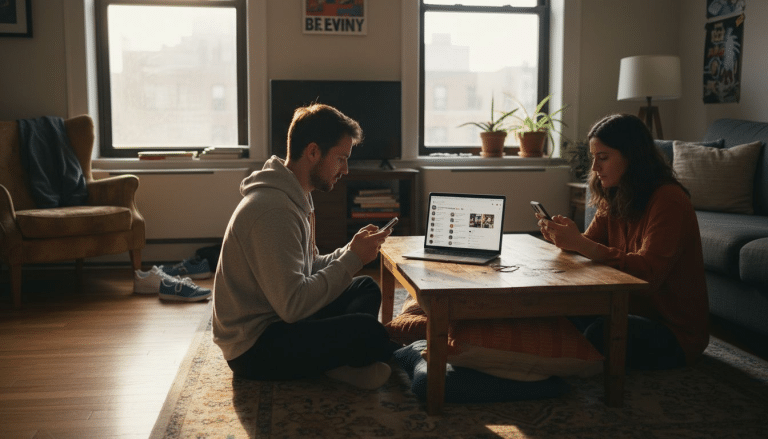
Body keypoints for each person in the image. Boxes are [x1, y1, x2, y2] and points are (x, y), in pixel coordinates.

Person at [212, 103, 394, 389]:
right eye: (341, 158)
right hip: (254, 346)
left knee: (366, 288)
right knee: (369, 331)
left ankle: (338, 364)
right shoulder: (273, 210)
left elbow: (307, 267)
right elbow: (293, 306)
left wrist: (351, 250)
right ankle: (366, 359)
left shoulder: (296, 195)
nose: (345, 170)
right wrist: (352, 260)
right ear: (313, 152)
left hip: (281, 319)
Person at [536, 113, 709, 370]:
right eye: (594, 158)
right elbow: (587, 248)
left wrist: (581, 245)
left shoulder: (668, 200)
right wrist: (566, 238)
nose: (595, 167)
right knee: (558, 303)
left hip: (673, 331)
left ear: (633, 157)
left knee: (598, 332)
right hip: (627, 309)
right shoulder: (615, 195)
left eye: (603, 158)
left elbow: (648, 276)